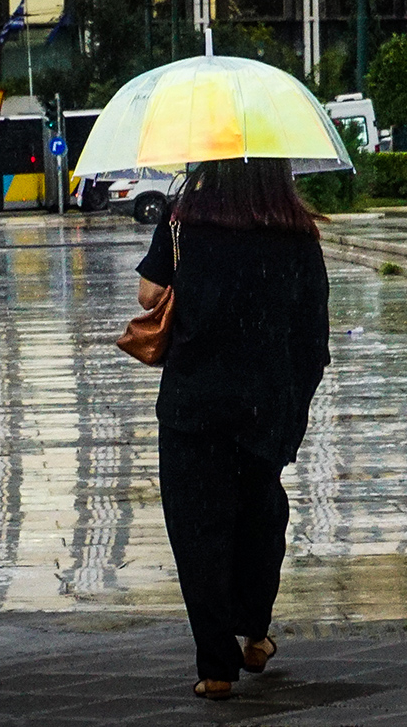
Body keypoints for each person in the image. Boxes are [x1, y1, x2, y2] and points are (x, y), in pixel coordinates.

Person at [135, 157, 331, 700]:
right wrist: (294, 403)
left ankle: (215, 667)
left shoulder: (182, 222)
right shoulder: (296, 234)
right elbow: (313, 334)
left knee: (197, 530)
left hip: (191, 405)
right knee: (260, 519)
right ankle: (256, 632)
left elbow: (148, 298)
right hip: (264, 405)